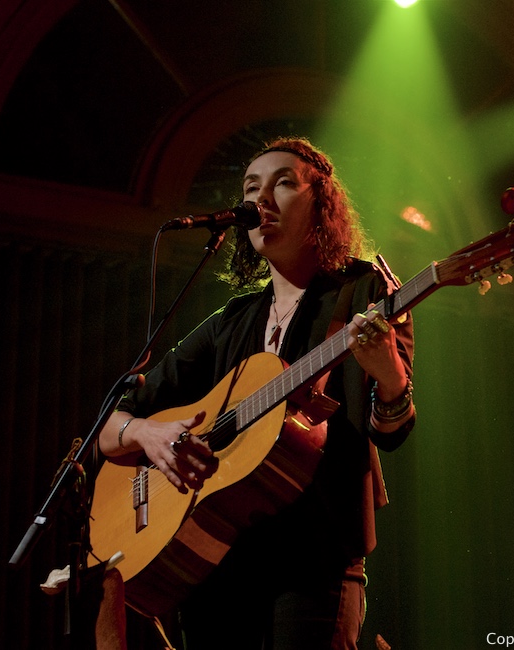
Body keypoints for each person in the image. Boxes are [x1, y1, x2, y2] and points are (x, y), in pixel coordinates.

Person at [96, 136, 416, 649]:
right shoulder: (231, 321)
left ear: (322, 205)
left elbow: (392, 430)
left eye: (283, 183)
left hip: (316, 559)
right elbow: (109, 428)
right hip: (217, 564)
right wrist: (150, 435)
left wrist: (390, 375)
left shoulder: (363, 295)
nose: (260, 199)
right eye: (251, 187)